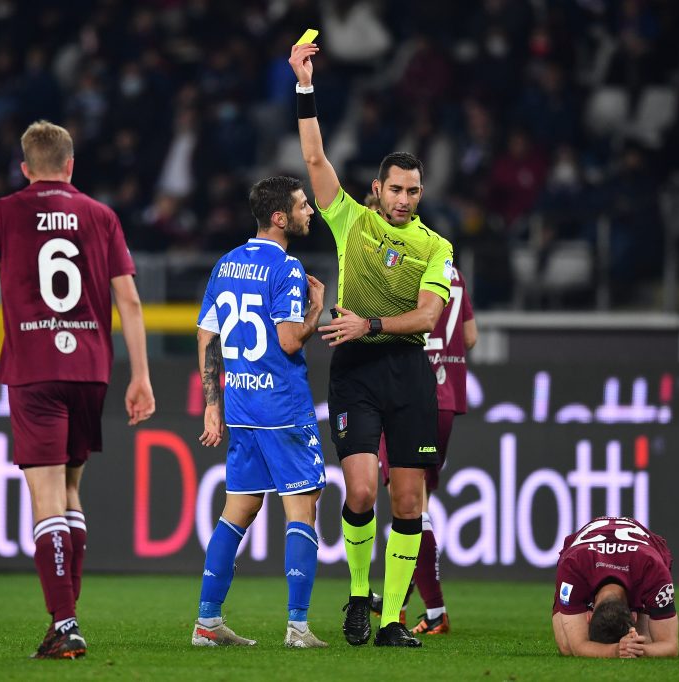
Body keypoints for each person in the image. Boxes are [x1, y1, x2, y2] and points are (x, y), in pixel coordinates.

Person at [0, 120, 155, 660]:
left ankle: (65, 624)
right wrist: (140, 375)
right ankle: (66, 620)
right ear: (70, 166)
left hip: (33, 369)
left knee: (46, 498)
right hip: (91, 369)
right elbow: (131, 303)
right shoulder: (101, 216)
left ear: (25, 168)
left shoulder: (2, 213)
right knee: (70, 492)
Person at [289, 41, 455, 648]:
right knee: (360, 490)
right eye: (397, 190)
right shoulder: (350, 220)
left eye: (414, 192)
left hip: (406, 370)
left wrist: (371, 324)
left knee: (408, 502)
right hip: (355, 369)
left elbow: (430, 317)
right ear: (378, 188)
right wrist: (304, 85)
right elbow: (312, 156)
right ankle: (360, 596)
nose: (406, 200)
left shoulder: (437, 247)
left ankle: (390, 621)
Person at [192, 176, 328, 648]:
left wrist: (213, 403)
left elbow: (207, 336)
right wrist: (317, 311)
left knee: (239, 510)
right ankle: (297, 627)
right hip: (284, 408)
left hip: (243, 407)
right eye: (302, 205)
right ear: (279, 217)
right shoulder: (288, 268)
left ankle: (207, 623)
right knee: (302, 509)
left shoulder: (226, 264)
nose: (309, 211)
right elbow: (290, 339)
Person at [371, 264, 477, 635]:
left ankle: (428, 609)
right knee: (417, 502)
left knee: (408, 505)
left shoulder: (406, 265)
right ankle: (404, 602)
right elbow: (471, 336)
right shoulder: (455, 273)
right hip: (447, 399)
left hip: (411, 394)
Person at [552, 516, 679, 658]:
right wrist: (617, 650)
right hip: (586, 552)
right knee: (567, 647)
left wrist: (639, 650)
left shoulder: (653, 569)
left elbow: (671, 646)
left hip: (643, 554)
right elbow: (577, 647)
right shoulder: (572, 566)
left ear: (589, 616)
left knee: (644, 640)